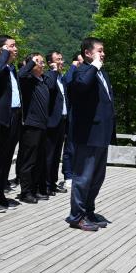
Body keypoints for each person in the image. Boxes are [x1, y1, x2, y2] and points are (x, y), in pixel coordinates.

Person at [65, 38, 115, 232]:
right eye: (99, 51)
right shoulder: (82, 71)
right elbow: (82, 85)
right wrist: (93, 66)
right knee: (83, 177)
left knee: (97, 177)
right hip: (88, 134)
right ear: (87, 53)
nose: (103, 54)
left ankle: (88, 211)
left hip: (101, 133)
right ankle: (76, 216)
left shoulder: (101, 73)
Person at [0, 35, 21, 209]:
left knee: (6, 158)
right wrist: (4, 55)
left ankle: (0, 193)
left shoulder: (11, 68)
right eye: (12, 46)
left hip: (14, 116)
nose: (16, 49)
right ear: (2, 49)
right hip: (1, 118)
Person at [17, 53, 49, 204]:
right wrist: (31, 62)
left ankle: (35, 189)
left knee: (39, 160)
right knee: (29, 160)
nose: (42, 65)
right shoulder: (28, 80)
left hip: (42, 125)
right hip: (31, 125)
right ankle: (26, 192)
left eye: (42, 62)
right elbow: (21, 74)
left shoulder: (42, 80)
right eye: (39, 62)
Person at [44, 51, 68, 195]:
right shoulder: (49, 75)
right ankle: (46, 184)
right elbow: (50, 88)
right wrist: (53, 70)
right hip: (52, 121)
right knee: (49, 155)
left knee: (57, 155)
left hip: (62, 121)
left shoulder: (61, 77)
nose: (61, 62)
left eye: (61, 59)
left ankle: (53, 182)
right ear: (50, 63)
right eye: (58, 60)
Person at [60, 54, 84, 190]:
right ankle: (68, 176)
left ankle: (78, 174)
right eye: (79, 62)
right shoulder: (71, 75)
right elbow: (67, 81)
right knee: (70, 148)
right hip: (73, 116)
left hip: (85, 117)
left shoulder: (86, 75)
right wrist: (74, 66)